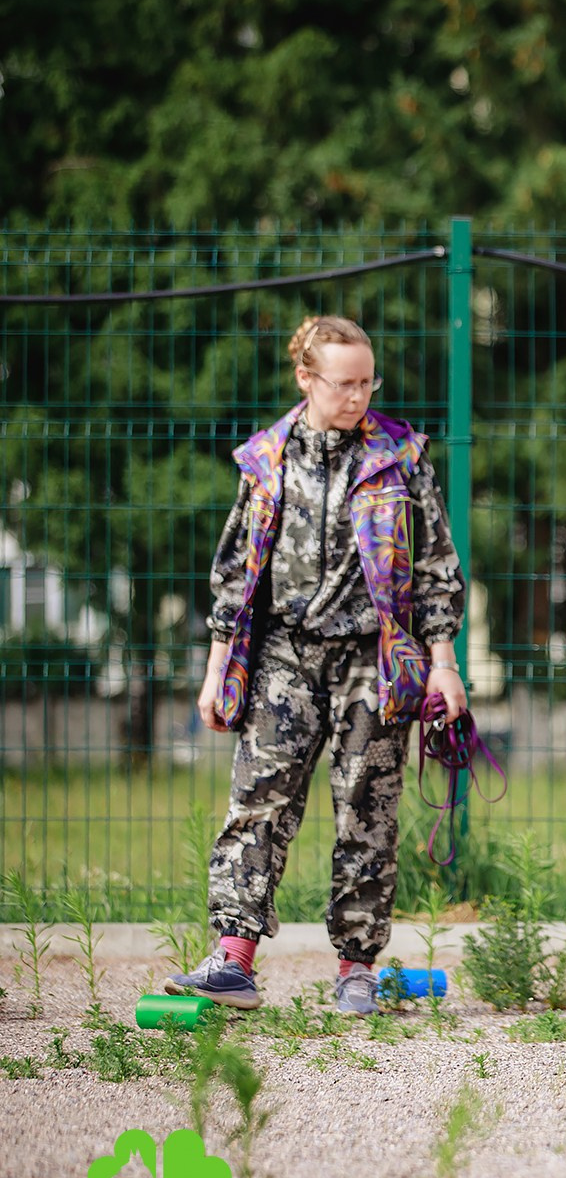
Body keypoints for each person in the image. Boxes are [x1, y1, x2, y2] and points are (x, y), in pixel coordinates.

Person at [166, 314, 466, 1016]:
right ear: (306, 378)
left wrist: (444, 663)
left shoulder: (401, 456)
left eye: (368, 381)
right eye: (344, 382)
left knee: (368, 814)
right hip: (283, 655)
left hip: (375, 658)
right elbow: (236, 574)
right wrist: (216, 671)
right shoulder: (265, 459)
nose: (359, 395)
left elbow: (436, 568)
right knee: (257, 804)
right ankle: (232, 962)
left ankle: (356, 970)